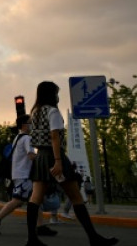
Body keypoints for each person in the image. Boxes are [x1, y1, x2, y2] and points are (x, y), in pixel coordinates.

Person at [25, 81, 117, 246]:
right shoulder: (53, 112)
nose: (57, 96)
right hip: (54, 156)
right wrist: (59, 161)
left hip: (41, 157)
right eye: (56, 92)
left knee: (35, 198)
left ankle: (32, 239)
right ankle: (93, 237)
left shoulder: (35, 112)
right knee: (76, 197)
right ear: (51, 94)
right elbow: (55, 136)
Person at [0, 114, 54, 237]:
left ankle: (40, 226)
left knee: (35, 199)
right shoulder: (27, 139)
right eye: (30, 122)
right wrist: (45, 160)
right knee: (19, 201)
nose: (32, 125)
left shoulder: (17, 138)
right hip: (24, 174)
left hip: (19, 173)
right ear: (24, 125)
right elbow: (31, 155)